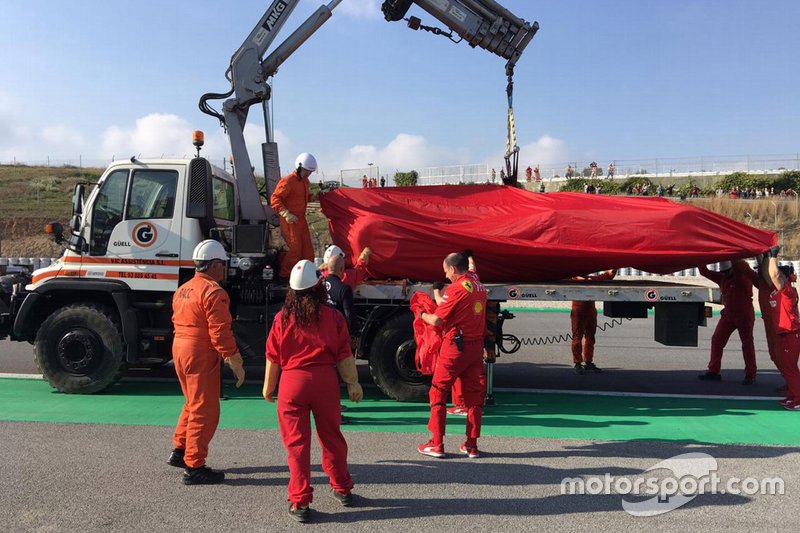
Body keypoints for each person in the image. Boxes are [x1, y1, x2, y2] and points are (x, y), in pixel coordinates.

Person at [263, 260, 363, 522]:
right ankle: (342, 488)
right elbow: (344, 355)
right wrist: (353, 383)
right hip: (325, 382)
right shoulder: (333, 316)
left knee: (296, 445)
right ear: (319, 287)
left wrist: (268, 387)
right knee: (332, 438)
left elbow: (273, 357)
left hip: (291, 384)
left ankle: (300, 501)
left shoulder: (281, 318)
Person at [168, 239, 246, 485]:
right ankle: (194, 466)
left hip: (180, 348)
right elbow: (220, 332)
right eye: (222, 265)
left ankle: (180, 450)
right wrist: (235, 360)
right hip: (200, 351)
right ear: (213, 265)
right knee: (205, 409)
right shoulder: (214, 292)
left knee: (192, 403)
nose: (224, 270)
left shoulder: (184, 289)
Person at [417, 252, 487, 458]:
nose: (446, 275)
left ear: (454, 270)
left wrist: (420, 313)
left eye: (446, 270)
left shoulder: (456, 289)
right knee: (474, 397)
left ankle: (436, 443)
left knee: (438, 391)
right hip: (475, 348)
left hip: (455, 347)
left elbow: (437, 320)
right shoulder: (477, 283)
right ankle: (471, 445)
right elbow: (472, 271)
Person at [698, 260, 757, 384]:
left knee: (747, 344)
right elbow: (704, 272)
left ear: (733, 268)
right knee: (717, 339)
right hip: (728, 315)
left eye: (727, 272)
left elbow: (742, 266)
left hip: (744, 316)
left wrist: (732, 255)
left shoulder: (743, 276)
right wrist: (700, 258)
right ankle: (713, 371)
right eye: (723, 272)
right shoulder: (723, 278)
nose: (725, 274)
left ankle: (750, 374)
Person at [762, 248, 800, 409]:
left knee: (790, 368)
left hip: (790, 334)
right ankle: (792, 395)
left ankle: (798, 399)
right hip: (783, 335)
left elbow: (774, 275)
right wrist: (764, 257)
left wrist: (773, 256)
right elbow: (767, 275)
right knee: (785, 366)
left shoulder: (788, 291)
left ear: (785, 278)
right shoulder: (778, 292)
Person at [270, 153, 317, 279]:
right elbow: (275, 198)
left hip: (301, 220)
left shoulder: (305, 181)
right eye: (307, 171)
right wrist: (285, 213)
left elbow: (302, 197)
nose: (309, 174)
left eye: (310, 172)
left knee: (308, 252)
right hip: (290, 220)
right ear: (299, 167)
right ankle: (284, 276)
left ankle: (306, 277)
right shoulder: (288, 181)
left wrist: (314, 197)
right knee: (295, 250)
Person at [570, 270, 617, 374]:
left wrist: (615, 267)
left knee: (590, 338)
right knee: (577, 337)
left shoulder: (591, 280)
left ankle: (588, 362)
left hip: (590, 311)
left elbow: (608, 276)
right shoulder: (572, 280)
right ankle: (577, 363)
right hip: (578, 311)